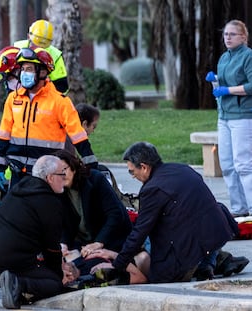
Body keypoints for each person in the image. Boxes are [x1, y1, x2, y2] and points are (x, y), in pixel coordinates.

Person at [100, 142, 236, 283]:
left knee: (149, 240)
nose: (132, 176)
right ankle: (209, 264)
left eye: (132, 171)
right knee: (209, 217)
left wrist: (118, 264)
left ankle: (205, 264)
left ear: (144, 167)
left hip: (186, 251)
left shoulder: (151, 189)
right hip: (217, 232)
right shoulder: (183, 169)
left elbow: (140, 231)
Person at [0, 155, 71, 309]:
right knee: (54, 283)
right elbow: (51, 248)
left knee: (40, 271)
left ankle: (15, 287)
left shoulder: (20, 188)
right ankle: (17, 283)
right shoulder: (49, 202)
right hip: (3, 264)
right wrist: (58, 273)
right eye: (62, 174)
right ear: (50, 178)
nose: (65, 178)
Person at [0, 47, 97, 191]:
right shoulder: (13, 99)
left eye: (29, 69)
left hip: (47, 174)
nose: (24, 73)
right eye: (23, 69)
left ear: (43, 72)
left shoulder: (60, 102)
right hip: (18, 172)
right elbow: (4, 135)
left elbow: (78, 137)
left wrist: (92, 166)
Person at [54, 149, 148, 285]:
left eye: (64, 170)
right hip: (85, 245)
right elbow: (65, 224)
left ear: (73, 167)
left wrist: (99, 242)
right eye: (57, 173)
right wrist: (63, 244)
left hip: (110, 240)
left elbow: (115, 214)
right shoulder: (59, 191)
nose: (62, 176)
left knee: (94, 265)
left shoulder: (95, 179)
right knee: (65, 262)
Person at [206, 20, 252, 217]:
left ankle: (251, 208)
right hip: (223, 116)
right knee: (227, 164)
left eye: (233, 34)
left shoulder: (248, 56)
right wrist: (215, 81)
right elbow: (220, 88)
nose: (228, 38)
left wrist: (228, 90)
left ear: (243, 37)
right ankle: (238, 209)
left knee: (243, 164)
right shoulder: (224, 58)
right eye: (226, 34)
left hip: (242, 117)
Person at [14, 19, 69, 93]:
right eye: (35, 45)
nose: (38, 50)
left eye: (43, 47)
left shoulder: (55, 55)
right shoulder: (16, 49)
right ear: (28, 37)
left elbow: (61, 86)